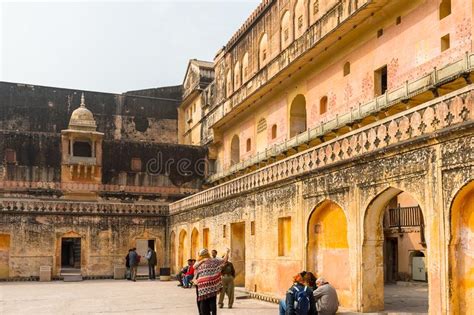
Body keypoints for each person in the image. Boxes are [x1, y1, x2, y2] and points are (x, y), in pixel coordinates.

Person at [193, 248, 230, 315]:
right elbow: (224, 260)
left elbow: (194, 267)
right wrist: (227, 252)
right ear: (208, 254)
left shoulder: (198, 262)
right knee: (212, 300)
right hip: (212, 284)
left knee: (203, 300)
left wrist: (201, 261)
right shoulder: (214, 261)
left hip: (202, 285)